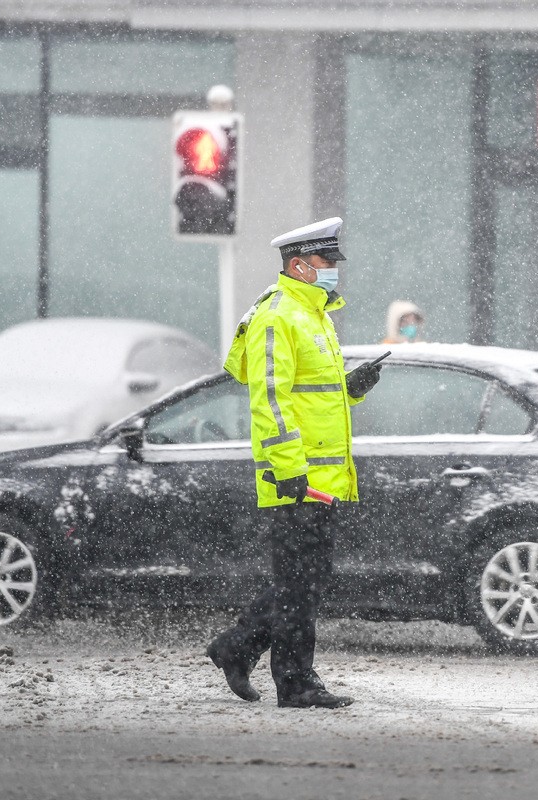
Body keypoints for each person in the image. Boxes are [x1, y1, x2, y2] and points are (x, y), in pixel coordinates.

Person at [207, 217, 382, 709]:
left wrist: (351, 390)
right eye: (327, 264)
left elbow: (311, 397)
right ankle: (295, 682)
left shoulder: (314, 316)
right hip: (296, 477)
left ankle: (236, 648)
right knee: (298, 585)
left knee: (304, 581)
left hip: (320, 476)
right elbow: (270, 400)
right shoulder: (278, 315)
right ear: (301, 265)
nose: (333, 273)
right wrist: (289, 468)